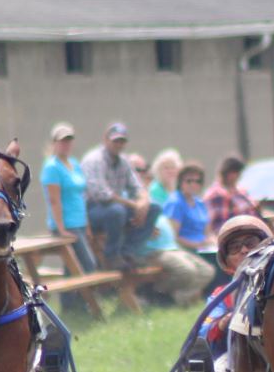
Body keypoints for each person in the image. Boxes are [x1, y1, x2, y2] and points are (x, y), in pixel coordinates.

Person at [187, 215, 273, 372]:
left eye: (251, 243)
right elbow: (204, 333)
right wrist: (225, 322)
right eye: (235, 247)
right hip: (240, 354)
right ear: (226, 262)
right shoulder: (222, 295)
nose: (244, 250)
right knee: (231, 350)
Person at [82, 122, 159, 271]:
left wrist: (143, 203)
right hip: (92, 210)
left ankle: (128, 252)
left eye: (122, 141)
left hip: (115, 207)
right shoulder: (94, 160)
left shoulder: (124, 161)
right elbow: (103, 194)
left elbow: (137, 187)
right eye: (115, 140)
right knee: (117, 211)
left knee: (154, 208)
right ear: (106, 140)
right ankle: (111, 256)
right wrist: (135, 206)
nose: (119, 144)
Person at [41, 122, 98, 290]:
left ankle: (70, 304)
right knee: (88, 263)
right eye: (62, 141)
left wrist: (86, 223)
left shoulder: (74, 163)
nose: (66, 145)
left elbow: (81, 195)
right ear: (54, 144)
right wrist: (61, 228)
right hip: (66, 225)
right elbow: (54, 200)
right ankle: (82, 302)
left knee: (72, 265)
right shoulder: (51, 167)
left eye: (69, 141)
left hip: (79, 221)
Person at [163, 162, 215, 251]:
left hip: (204, 249)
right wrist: (197, 245)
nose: (193, 184)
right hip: (185, 251)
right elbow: (172, 236)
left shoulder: (200, 203)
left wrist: (213, 241)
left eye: (197, 181)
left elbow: (208, 232)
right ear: (180, 182)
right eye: (189, 181)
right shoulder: (175, 203)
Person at [203, 154, 261, 234]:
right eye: (234, 172)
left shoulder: (242, 192)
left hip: (251, 230)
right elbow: (222, 222)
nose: (237, 176)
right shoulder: (216, 194)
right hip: (231, 234)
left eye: (238, 172)